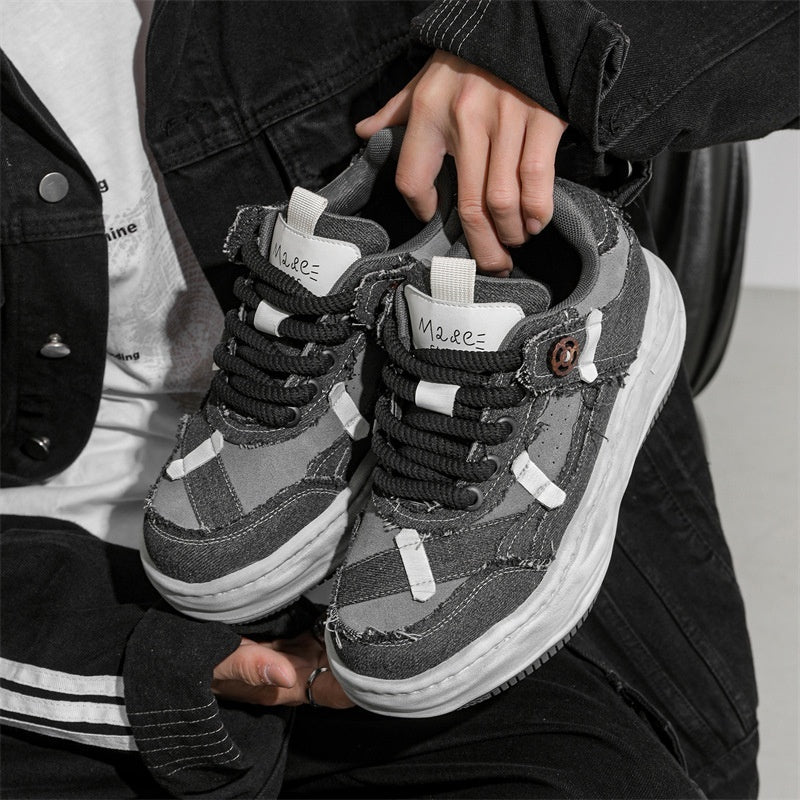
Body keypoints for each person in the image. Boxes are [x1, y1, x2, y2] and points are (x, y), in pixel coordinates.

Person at [1, 1, 797, 797]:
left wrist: (536, 42)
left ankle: (556, 325)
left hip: (458, 600)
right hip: (55, 608)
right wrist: (136, 665)